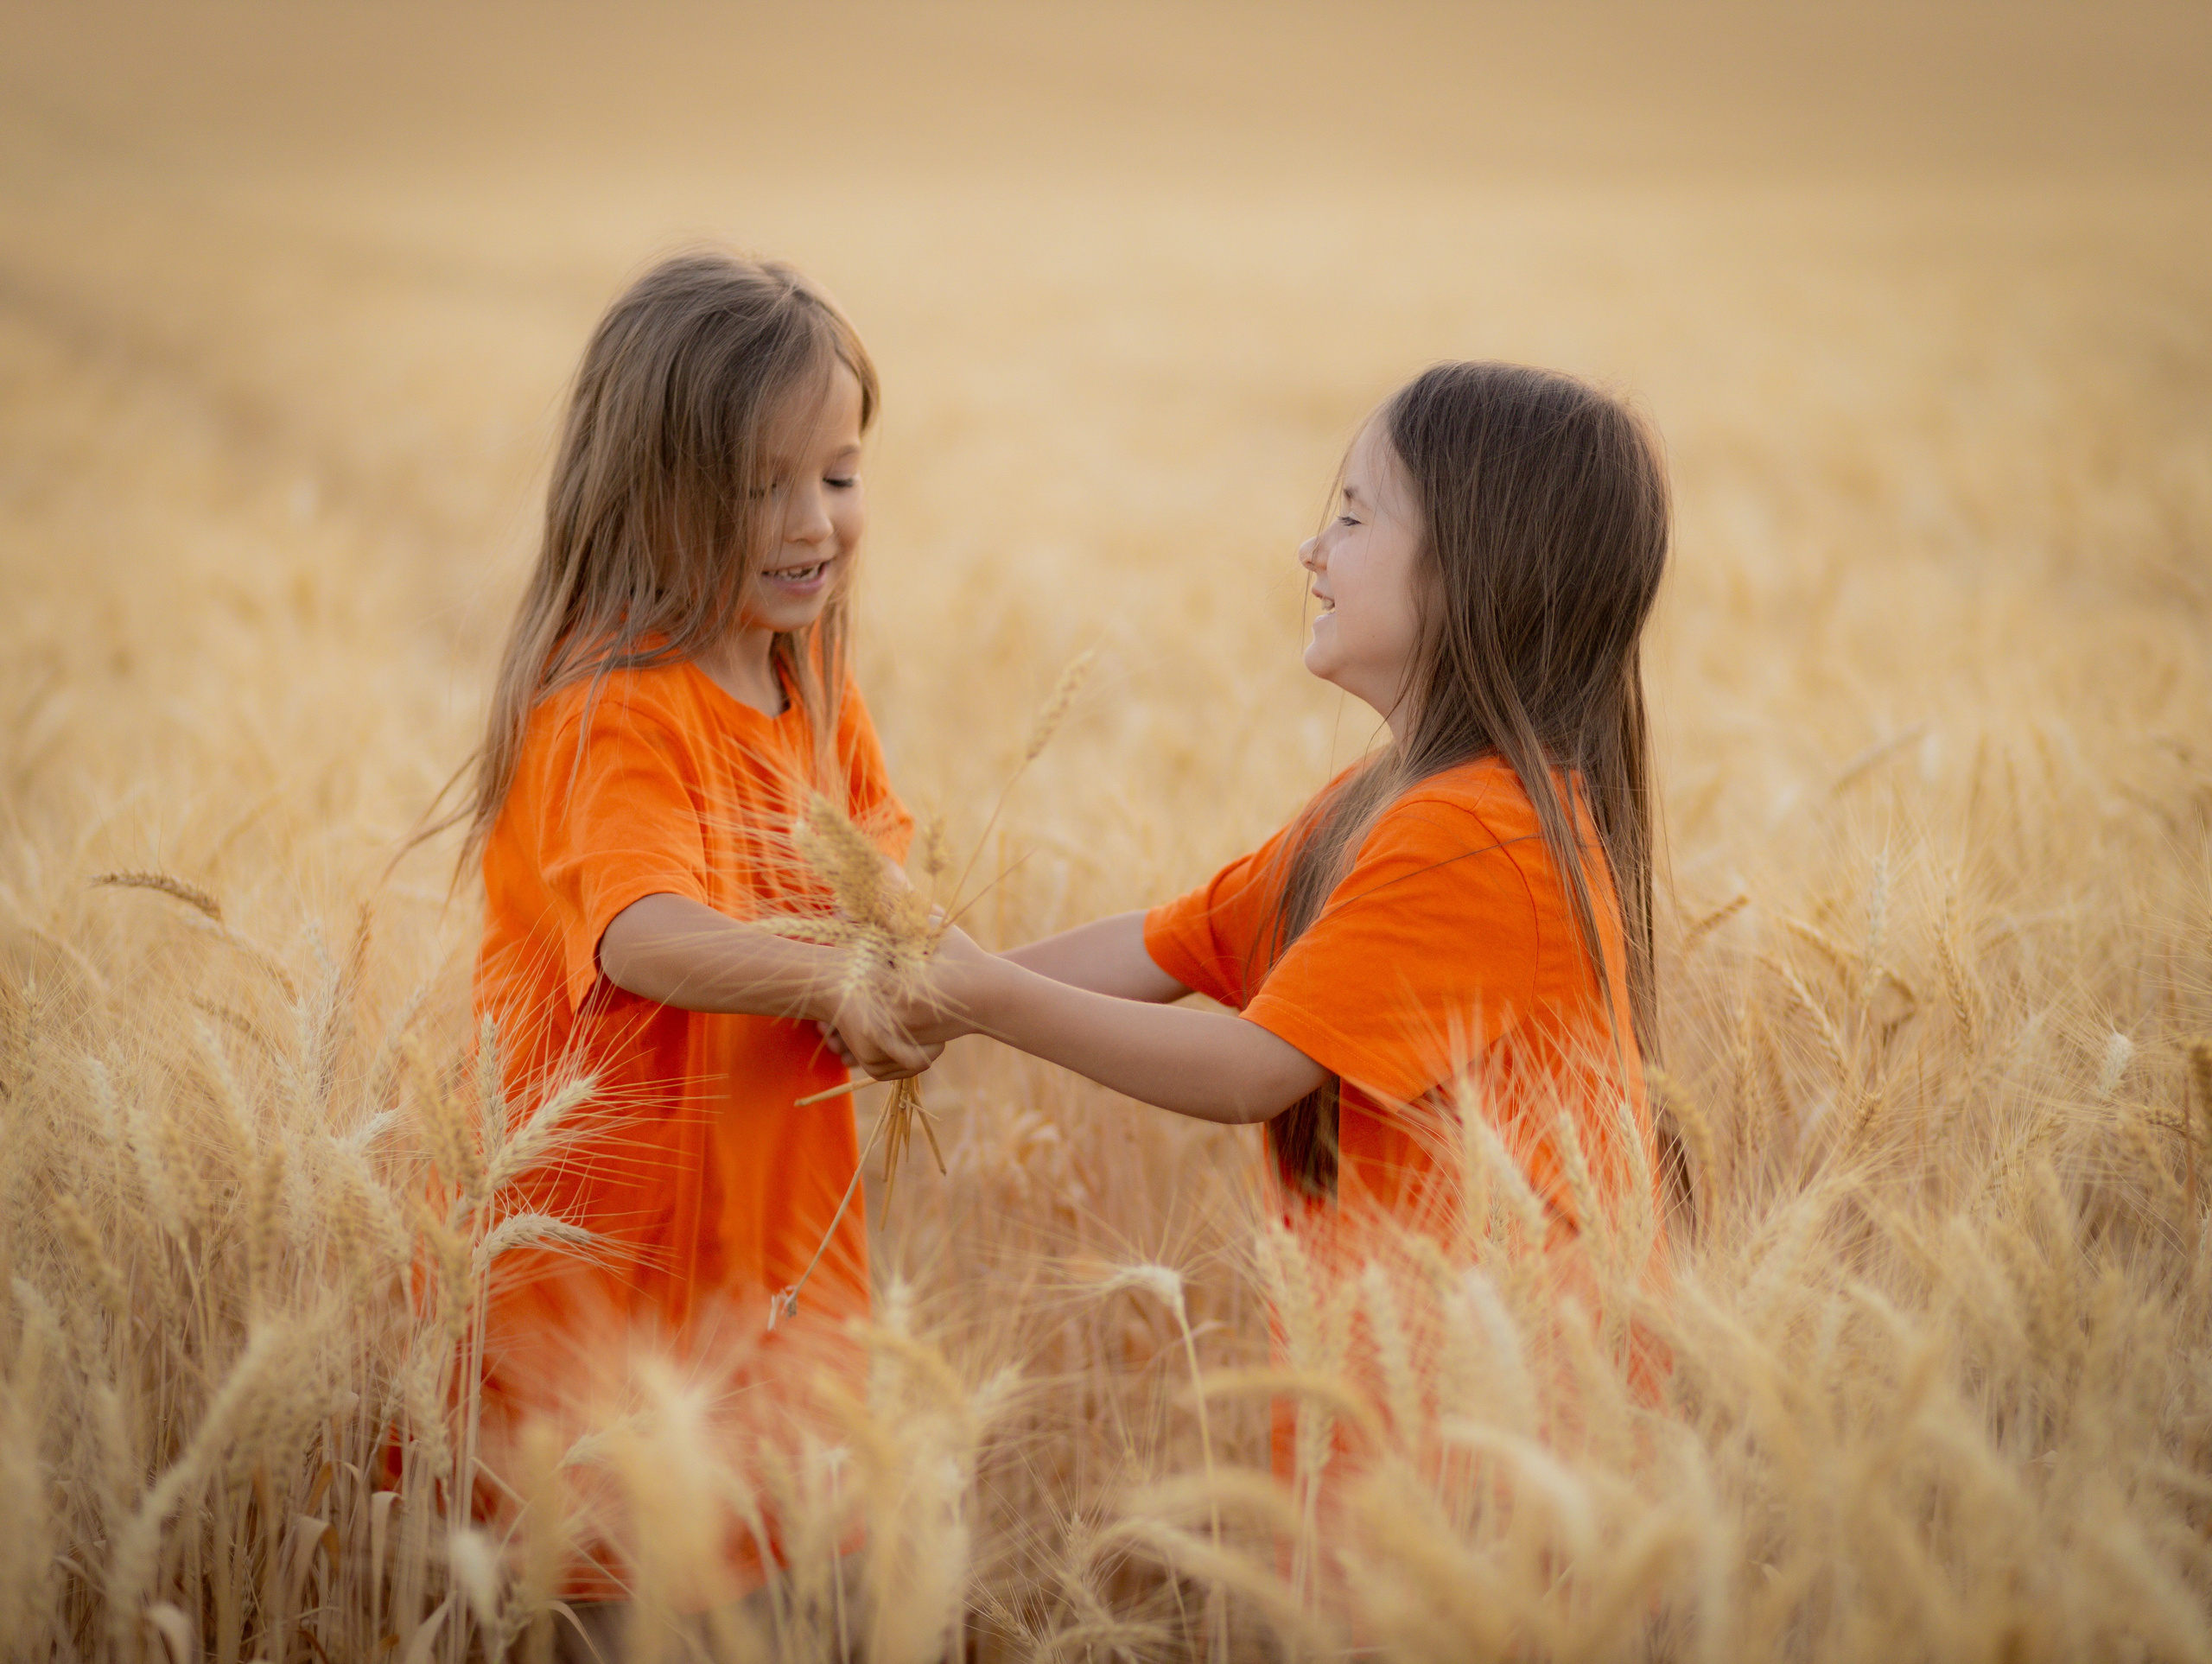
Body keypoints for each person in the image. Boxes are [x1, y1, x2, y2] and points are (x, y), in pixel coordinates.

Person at [857, 359, 1673, 1488]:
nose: (1311, 551)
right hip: (1399, 1402)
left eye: (1351, 514)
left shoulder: (1481, 838)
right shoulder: (1385, 803)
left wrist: (982, 996)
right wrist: (925, 988)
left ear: (1472, 563)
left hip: (1504, 1445)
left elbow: (1250, 1068)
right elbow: (1168, 943)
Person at [458, 251, 931, 1642]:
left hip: (779, 1285)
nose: (811, 523)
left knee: (802, 1597)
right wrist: (841, 980)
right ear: (644, 491)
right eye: (754, 487)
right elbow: (644, 935)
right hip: (607, 1316)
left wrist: (993, 981)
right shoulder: (613, 709)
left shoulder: (812, 692)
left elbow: (897, 893)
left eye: (837, 476)